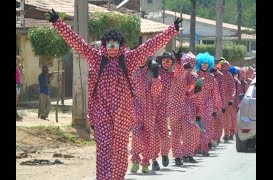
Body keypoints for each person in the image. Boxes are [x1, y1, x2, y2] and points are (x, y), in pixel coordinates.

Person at [48, 9, 182, 179]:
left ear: (121, 45)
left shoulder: (129, 60)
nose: (112, 47)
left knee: (119, 152)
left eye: (115, 44)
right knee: (104, 148)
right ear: (104, 45)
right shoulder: (97, 59)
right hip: (101, 114)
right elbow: (79, 44)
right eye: (109, 44)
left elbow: (150, 46)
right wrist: (59, 24)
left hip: (123, 116)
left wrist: (172, 30)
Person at [195, 52, 221, 156]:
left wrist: (216, 108)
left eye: (206, 63)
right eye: (202, 63)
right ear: (199, 64)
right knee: (196, 127)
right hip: (196, 105)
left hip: (208, 104)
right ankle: (196, 148)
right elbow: (194, 91)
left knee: (206, 126)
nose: (204, 65)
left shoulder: (211, 77)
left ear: (209, 64)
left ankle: (205, 148)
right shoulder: (196, 76)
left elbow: (215, 93)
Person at [16, 55, 23, 121]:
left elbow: (21, 76)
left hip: (18, 85)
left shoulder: (19, 67)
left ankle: (16, 114)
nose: (19, 61)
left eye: (19, 60)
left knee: (17, 101)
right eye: (17, 60)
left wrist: (21, 83)